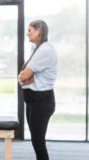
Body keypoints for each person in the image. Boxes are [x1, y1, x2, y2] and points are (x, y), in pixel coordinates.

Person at [17, 20, 57, 160]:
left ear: (38, 31)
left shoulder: (45, 50)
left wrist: (25, 76)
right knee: (36, 142)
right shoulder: (36, 48)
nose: (27, 34)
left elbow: (24, 75)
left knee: (38, 143)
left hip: (41, 102)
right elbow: (23, 76)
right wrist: (24, 76)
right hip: (33, 101)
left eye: (30, 30)